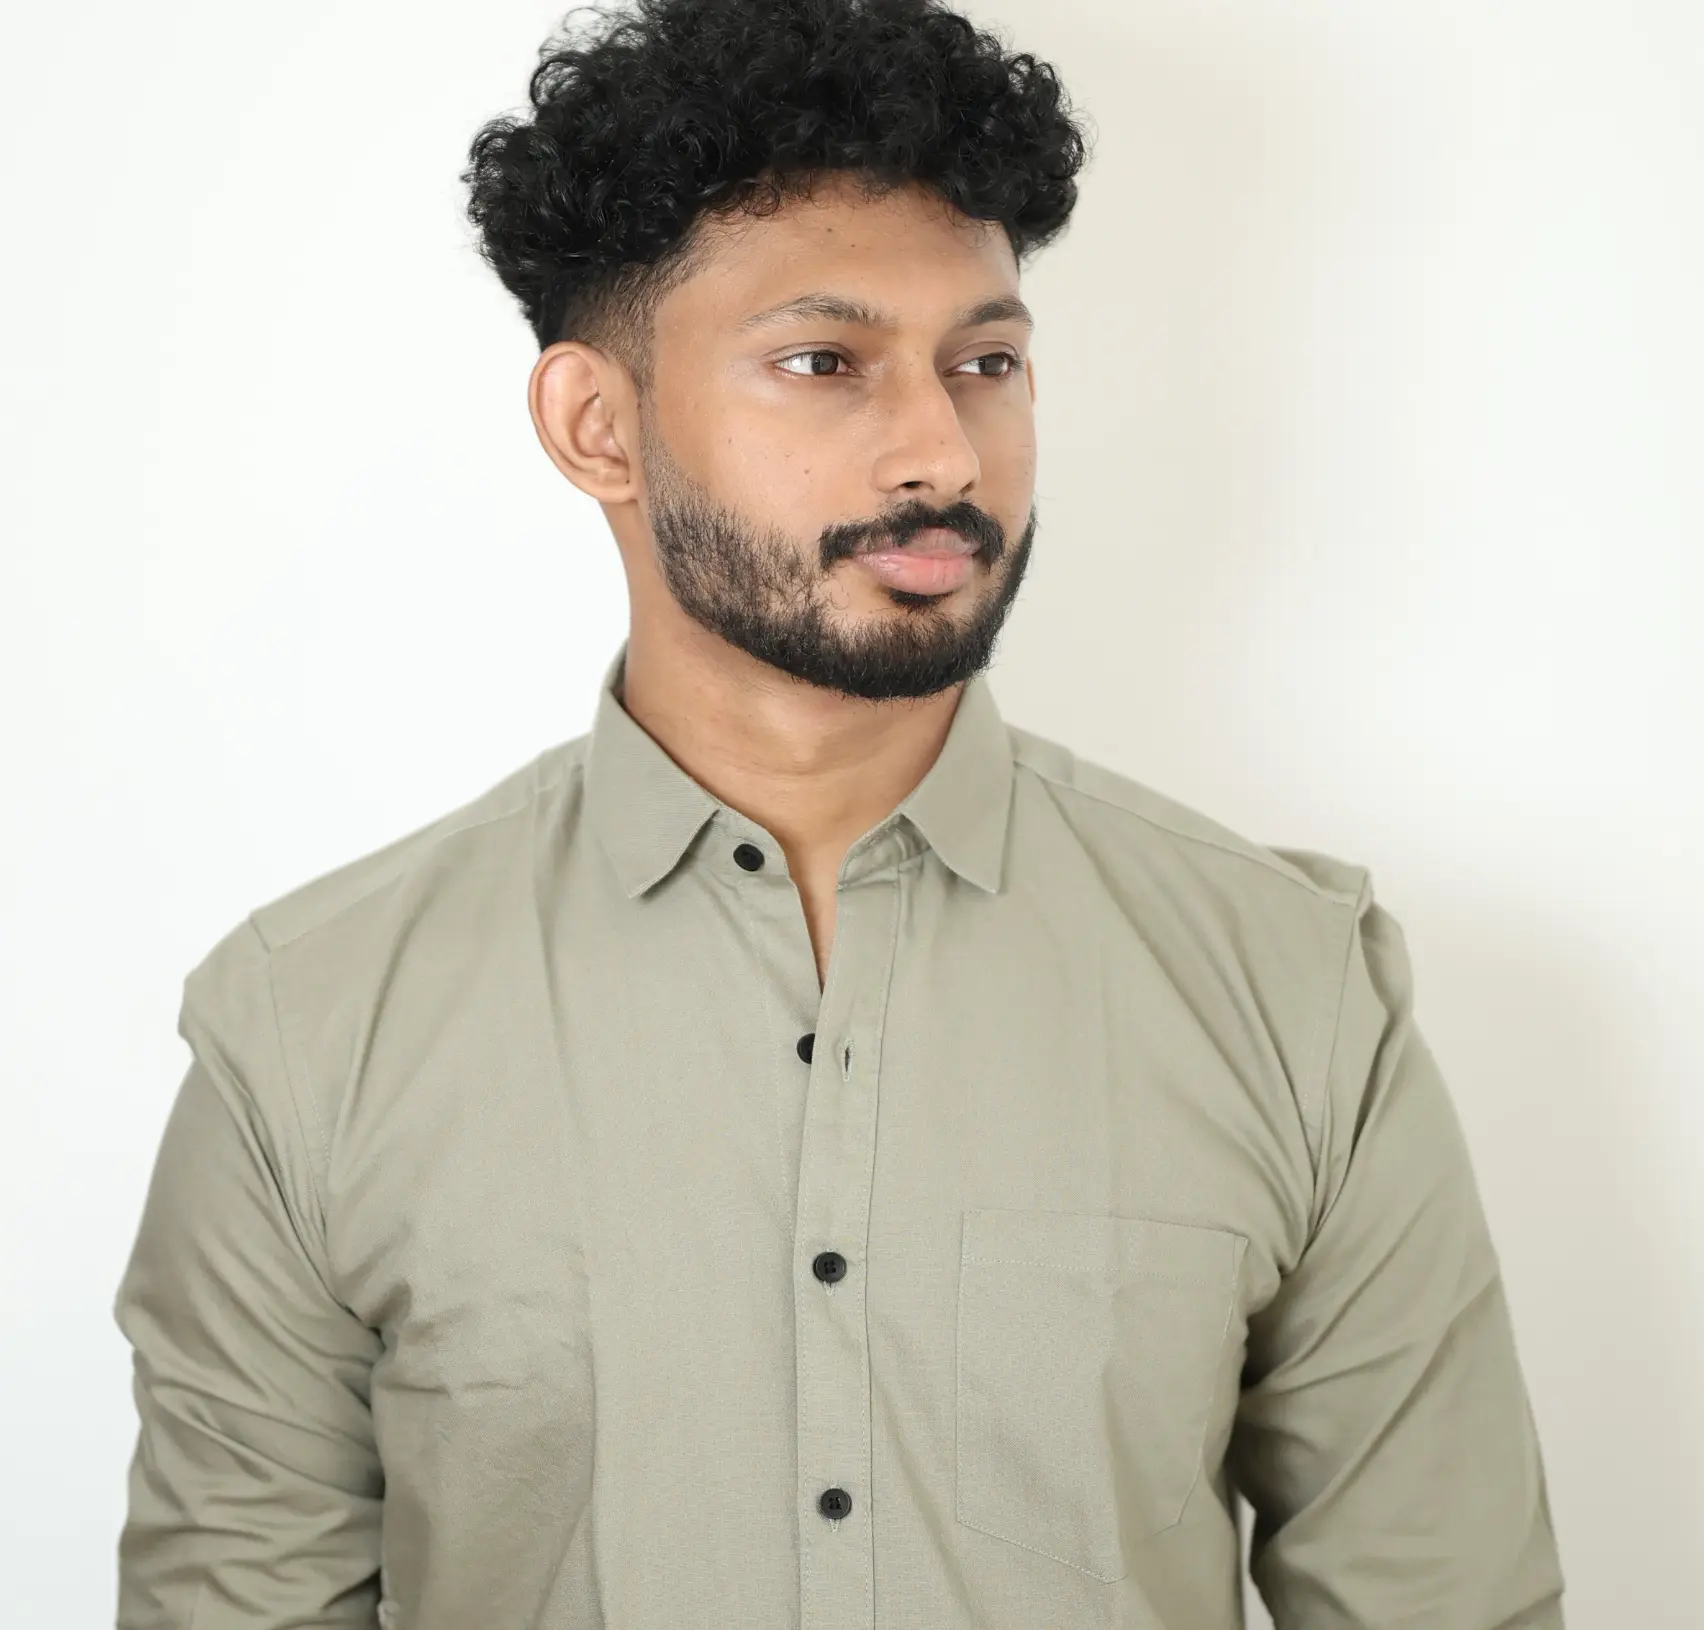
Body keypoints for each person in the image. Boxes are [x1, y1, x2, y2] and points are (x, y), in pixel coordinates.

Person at [113, 0, 1566, 1625]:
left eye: (985, 363)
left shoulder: (1292, 987)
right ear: (598, 425)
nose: (942, 449)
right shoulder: (309, 1030)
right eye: (825, 363)